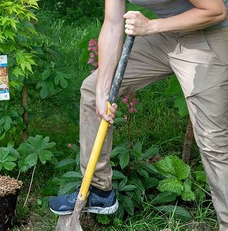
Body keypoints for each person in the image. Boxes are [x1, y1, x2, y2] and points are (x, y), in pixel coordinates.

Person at [49, 0, 228, 229]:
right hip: (165, 35)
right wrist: (104, 91)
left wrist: (151, 26)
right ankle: (98, 189)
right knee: (93, 92)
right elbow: (113, 23)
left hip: (207, 34)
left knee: (214, 141)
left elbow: (216, 11)